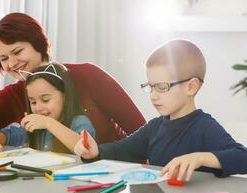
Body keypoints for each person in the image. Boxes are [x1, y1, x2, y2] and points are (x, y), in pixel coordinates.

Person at [0, 13, 145, 144]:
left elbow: (141, 131)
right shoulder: (13, 95)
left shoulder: (88, 75)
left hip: (113, 173)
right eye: (4, 59)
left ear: (39, 45)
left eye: (17, 51)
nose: (12, 63)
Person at [74, 39, 247, 181]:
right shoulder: (154, 128)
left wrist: (199, 157)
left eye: (162, 87)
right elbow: (121, 150)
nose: (154, 96)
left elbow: (243, 157)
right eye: (151, 87)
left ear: (191, 87)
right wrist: (95, 152)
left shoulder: (205, 127)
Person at [0, 63, 96, 155]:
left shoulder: (79, 122)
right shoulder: (35, 127)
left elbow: (86, 149)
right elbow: (8, 136)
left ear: (65, 96)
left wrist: (48, 123)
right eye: (33, 102)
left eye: (45, 100)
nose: (38, 108)